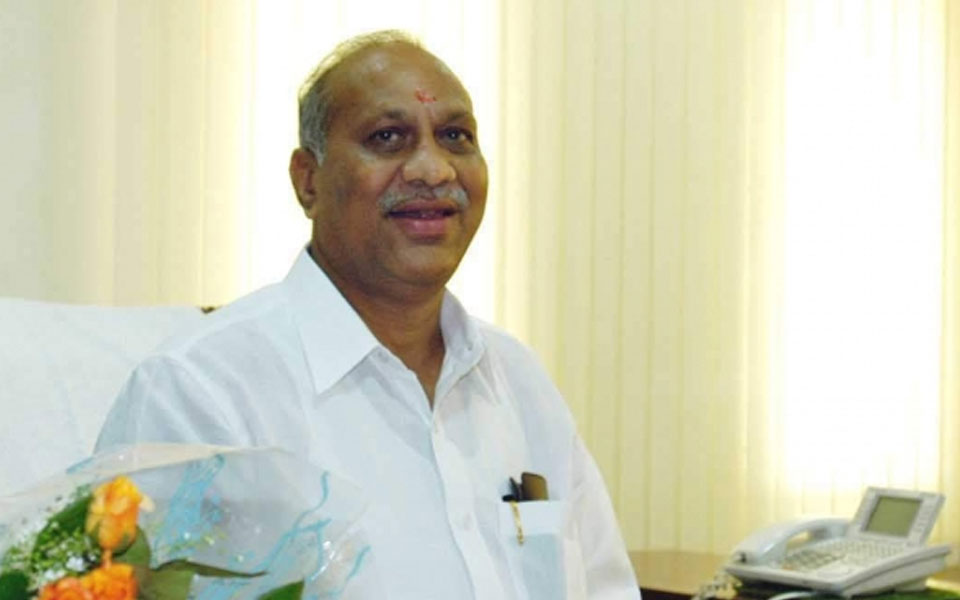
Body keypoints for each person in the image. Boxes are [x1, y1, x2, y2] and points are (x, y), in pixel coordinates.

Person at [97, 30, 639, 599]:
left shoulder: (519, 383)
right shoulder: (201, 395)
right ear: (308, 180)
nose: (434, 169)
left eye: (456, 136)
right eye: (388, 137)